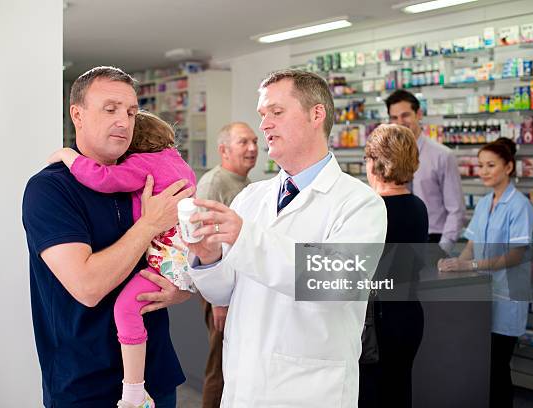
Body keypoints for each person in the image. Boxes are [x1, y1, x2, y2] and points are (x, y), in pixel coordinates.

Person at [185, 69, 387, 407]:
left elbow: (334, 284)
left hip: (310, 388)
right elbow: (221, 292)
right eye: (263, 115)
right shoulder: (251, 198)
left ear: (316, 114)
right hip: (243, 384)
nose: (264, 125)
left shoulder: (360, 204)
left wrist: (245, 237)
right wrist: (208, 257)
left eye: (276, 112)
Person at [22, 66, 193, 408]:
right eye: (110, 109)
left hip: (155, 378)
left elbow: (184, 255)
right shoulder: (51, 189)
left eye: (131, 112)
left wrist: (180, 291)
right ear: (78, 115)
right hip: (84, 386)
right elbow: (88, 287)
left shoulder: (143, 176)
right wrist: (148, 225)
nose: (124, 121)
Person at [438, 138, 533, 408]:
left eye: (491, 165)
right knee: (483, 367)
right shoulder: (483, 203)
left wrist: (469, 266)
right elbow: (472, 243)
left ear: (508, 167)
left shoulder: (520, 207)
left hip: (507, 298)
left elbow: (516, 255)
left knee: (498, 368)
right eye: (481, 165)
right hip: (482, 298)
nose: (484, 171)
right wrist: (453, 264)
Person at [359, 124, 428, 408]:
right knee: (399, 393)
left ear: (375, 161)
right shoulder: (418, 206)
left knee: (371, 396)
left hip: (377, 326)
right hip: (408, 317)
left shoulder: (370, 210)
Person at [195, 121, 258, 408]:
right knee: (219, 367)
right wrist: (218, 301)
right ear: (224, 149)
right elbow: (205, 243)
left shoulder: (248, 185)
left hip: (240, 288)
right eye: (244, 142)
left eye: (255, 142)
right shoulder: (214, 183)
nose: (253, 149)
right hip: (221, 293)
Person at [385, 90, 465, 252]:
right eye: (394, 118)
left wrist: (443, 249)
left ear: (418, 114)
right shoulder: (386, 156)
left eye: (405, 115)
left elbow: (456, 210)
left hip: (432, 239)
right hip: (397, 240)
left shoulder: (442, 155)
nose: (400, 122)